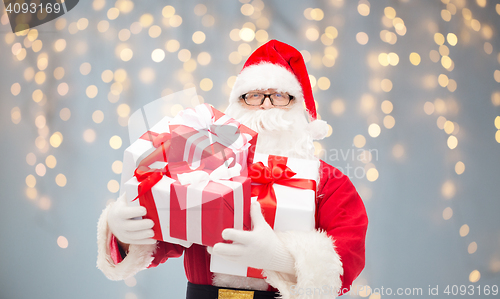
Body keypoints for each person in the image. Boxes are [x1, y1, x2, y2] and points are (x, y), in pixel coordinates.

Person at [97, 40, 368, 299]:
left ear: (301, 109)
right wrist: (124, 231)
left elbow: (347, 256)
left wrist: (279, 258)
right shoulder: (199, 165)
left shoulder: (330, 182)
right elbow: (165, 230)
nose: (265, 105)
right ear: (236, 106)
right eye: (253, 96)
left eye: (279, 96)